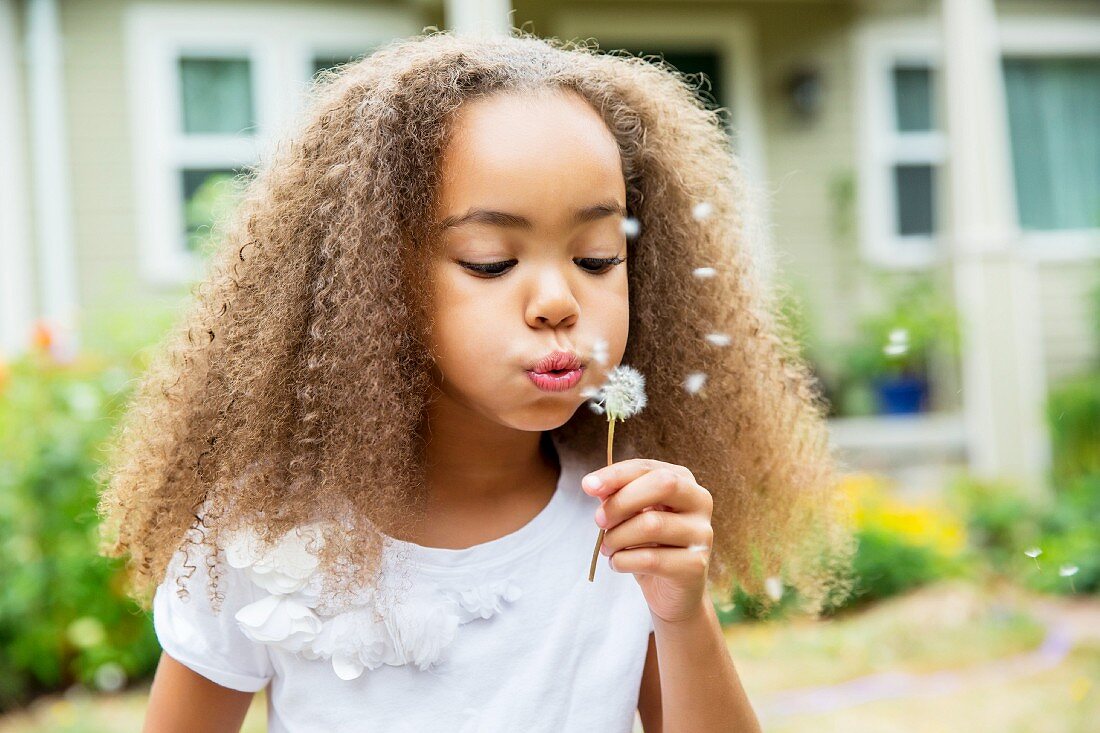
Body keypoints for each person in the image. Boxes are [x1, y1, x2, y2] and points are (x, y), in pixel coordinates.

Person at [96, 28, 853, 733]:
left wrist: (683, 614)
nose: (558, 301)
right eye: (491, 261)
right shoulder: (266, 534)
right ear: (377, 282)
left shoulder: (624, 528)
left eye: (595, 258)